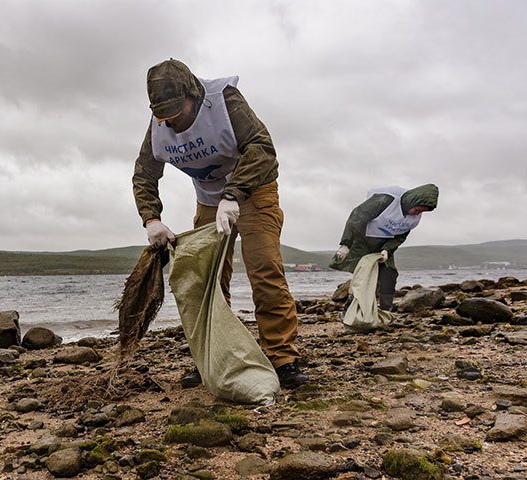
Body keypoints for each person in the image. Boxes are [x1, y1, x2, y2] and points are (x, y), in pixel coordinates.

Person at [132, 59, 308, 388]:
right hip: (210, 200)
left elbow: (263, 149)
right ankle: (212, 354)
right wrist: (151, 219)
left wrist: (234, 194)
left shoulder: (225, 102)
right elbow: (144, 174)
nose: (171, 121)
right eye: (162, 114)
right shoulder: (159, 122)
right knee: (206, 278)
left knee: (264, 268)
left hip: (254, 190)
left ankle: (283, 357)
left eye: (176, 111)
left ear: (193, 94)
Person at [330, 184, 439, 311]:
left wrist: (387, 249)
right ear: (412, 202)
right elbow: (356, 217)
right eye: (417, 209)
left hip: (384, 244)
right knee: (362, 277)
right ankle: (351, 312)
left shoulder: (414, 218)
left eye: (421, 212)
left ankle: (386, 313)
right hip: (362, 239)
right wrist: (346, 243)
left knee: (389, 274)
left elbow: (401, 236)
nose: (418, 213)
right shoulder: (384, 200)